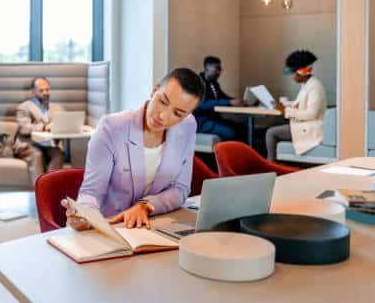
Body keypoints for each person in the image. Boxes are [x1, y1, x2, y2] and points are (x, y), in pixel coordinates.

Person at [66, 68, 205, 231]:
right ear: (155, 90)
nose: (163, 116)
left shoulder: (187, 125)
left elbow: (180, 189)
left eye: (178, 113)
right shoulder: (112, 127)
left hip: (154, 225)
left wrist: (145, 205)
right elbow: (91, 192)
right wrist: (84, 214)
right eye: (163, 101)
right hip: (111, 227)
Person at [266, 50, 327, 161]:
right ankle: (274, 164)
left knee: (271, 133)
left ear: (302, 71)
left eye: (292, 73)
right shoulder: (307, 84)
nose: (291, 77)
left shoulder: (315, 86)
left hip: (312, 128)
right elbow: (300, 103)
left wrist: (286, 111)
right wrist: (283, 105)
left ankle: (270, 166)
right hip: (305, 125)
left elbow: (311, 114)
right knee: (275, 125)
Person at [15, 77, 65, 184]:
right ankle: (40, 191)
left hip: (49, 144)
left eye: (47, 89)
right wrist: (44, 127)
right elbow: (24, 128)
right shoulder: (24, 107)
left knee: (58, 154)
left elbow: (63, 123)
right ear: (33, 92)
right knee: (37, 155)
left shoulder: (57, 108)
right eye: (41, 90)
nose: (45, 93)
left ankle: (49, 188)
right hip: (28, 144)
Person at [193, 56, 245, 141]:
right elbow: (203, 104)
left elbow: (224, 97)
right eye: (217, 68)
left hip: (214, 119)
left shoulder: (214, 84)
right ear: (207, 67)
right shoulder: (197, 83)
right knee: (231, 132)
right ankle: (225, 153)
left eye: (220, 69)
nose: (219, 72)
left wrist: (238, 101)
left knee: (242, 128)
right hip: (202, 122)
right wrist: (229, 102)